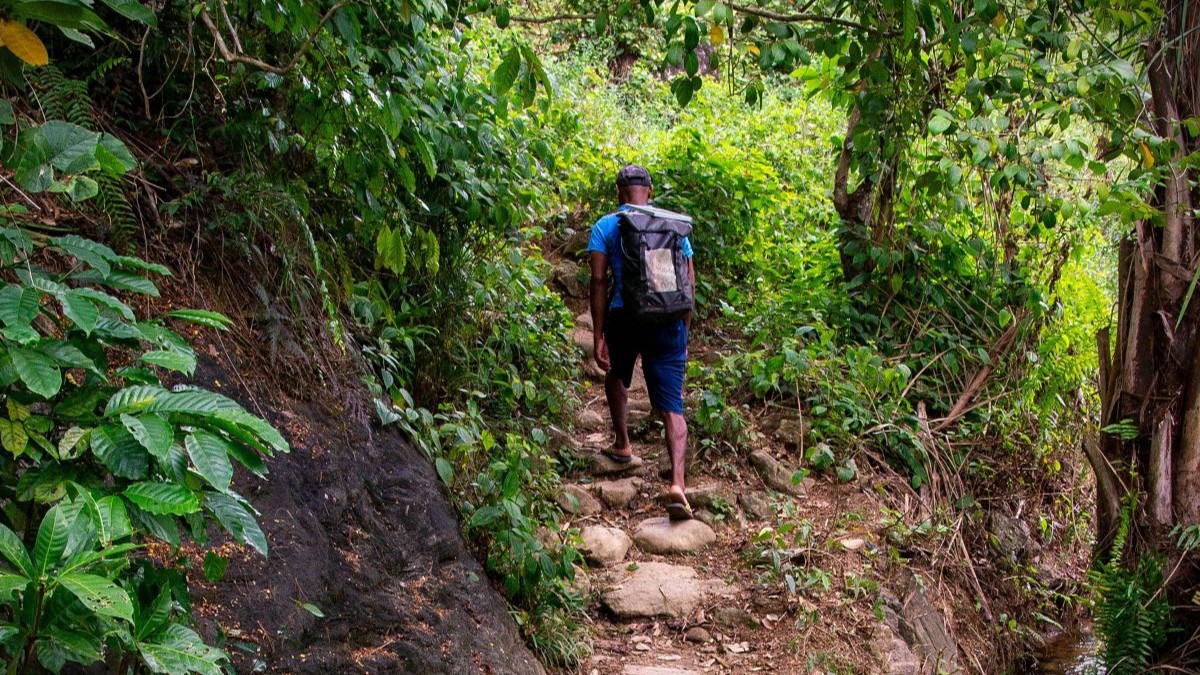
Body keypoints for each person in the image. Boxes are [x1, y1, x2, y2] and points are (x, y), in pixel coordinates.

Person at [588, 164, 696, 520]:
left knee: (616, 375)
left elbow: (600, 280)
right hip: (667, 321)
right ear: (649, 190)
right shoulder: (673, 225)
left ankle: (622, 444)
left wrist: (598, 333)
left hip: (624, 317)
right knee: (672, 406)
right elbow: (689, 284)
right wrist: (684, 330)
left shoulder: (606, 226)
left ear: (619, 193)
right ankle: (677, 483)